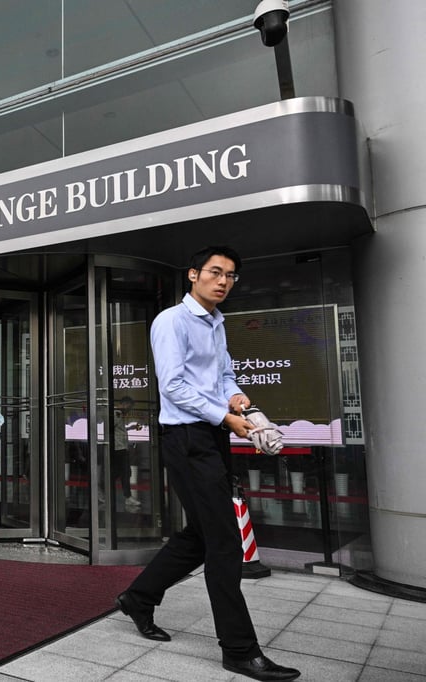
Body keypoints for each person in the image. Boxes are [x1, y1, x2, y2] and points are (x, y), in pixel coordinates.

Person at [114, 247, 300, 681]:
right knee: (225, 544)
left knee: (199, 536)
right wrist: (226, 417)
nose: (223, 281)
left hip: (211, 433)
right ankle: (239, 649)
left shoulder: (217, 322)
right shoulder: (172, 321)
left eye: (231, 276)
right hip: (185, 437)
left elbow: (223, 377)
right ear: (193, 275)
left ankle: (139, 598)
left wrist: (243, 404)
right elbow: (174, 386)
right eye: (215, 273)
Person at [112, 396, 142, 512]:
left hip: (121, 448)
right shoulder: (116, 413)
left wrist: (131, 428)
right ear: (124, 404)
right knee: (125, 473)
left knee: (123, 473)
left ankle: (123, 496)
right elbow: (110, 428)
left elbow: (118, 430)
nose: (130, 409)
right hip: (118, 449)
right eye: (129, 406)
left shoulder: (119, 414)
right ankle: (127, 497)